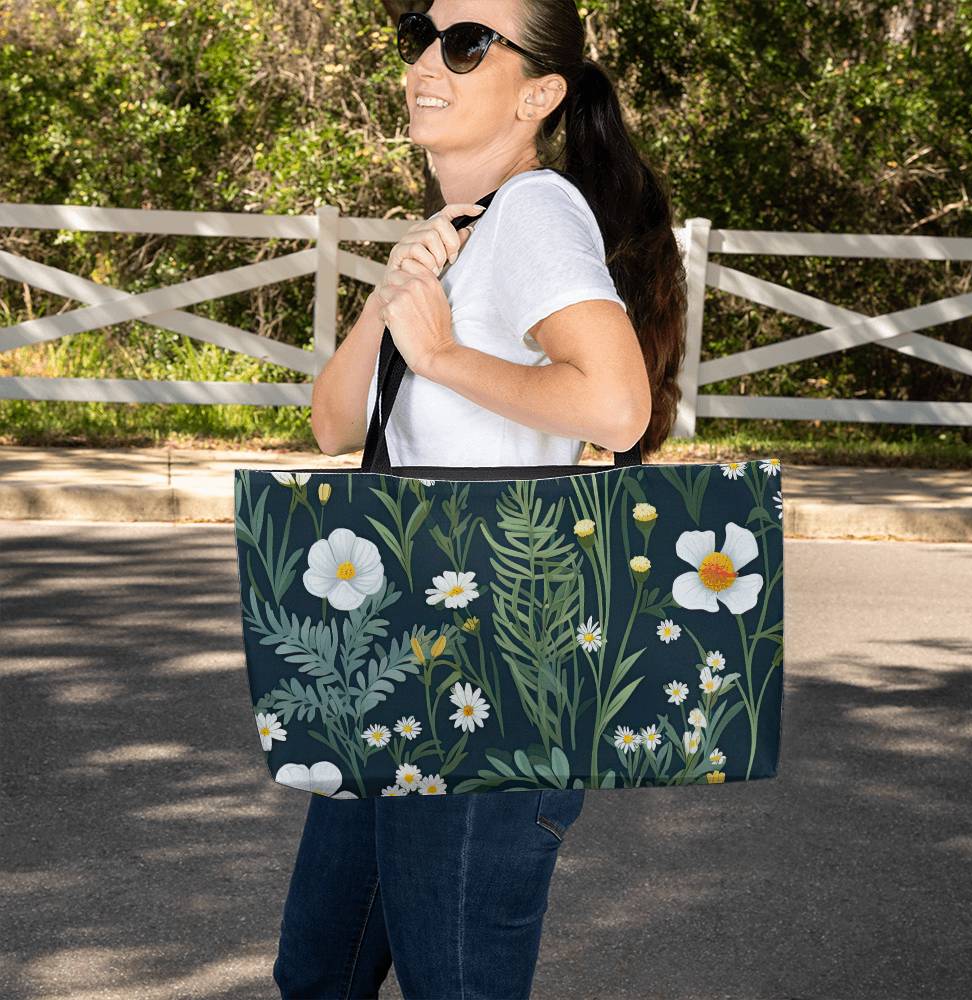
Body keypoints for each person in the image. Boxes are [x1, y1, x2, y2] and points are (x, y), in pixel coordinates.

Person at [276, 1, 687, 996]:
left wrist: (446, 357)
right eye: (421, 33)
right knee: (318, 971)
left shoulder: (536, 212)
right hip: (393, 653)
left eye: (465, 44)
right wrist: (396, 293)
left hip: (490, 666)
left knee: (454, 982)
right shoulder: (467, 231)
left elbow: (616, 405)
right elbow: (333, 424)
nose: (429, 59)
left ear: (539, 94)